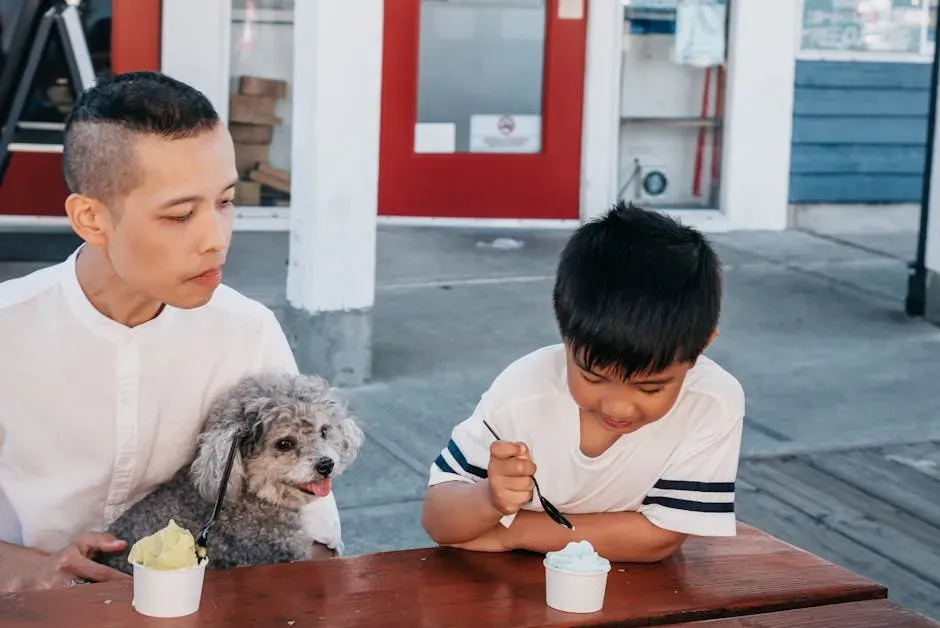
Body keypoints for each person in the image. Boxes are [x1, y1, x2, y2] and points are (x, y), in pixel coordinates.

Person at [0, 72, 341, 592]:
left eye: (225, 202)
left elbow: (313, 522)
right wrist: (34, 572)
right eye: (180, 214)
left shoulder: (246, 331)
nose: (216, 239)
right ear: (91, 218)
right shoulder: (10, 329)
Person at [421, 202, 744, 562]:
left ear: (702, 348)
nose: (618, 407)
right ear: (563, 324)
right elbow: (438, 520)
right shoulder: (524, 390)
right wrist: (488, 498)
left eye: (651, 388)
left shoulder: (711, 401)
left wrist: (510, 533)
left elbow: (659, 538)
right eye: (593, 377)